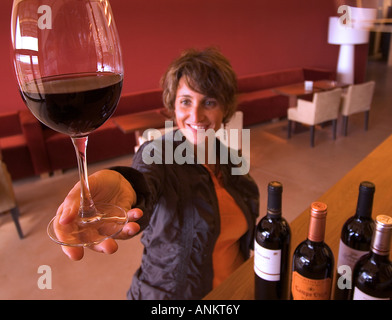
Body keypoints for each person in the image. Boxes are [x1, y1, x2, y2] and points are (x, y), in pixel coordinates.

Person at [56, 47, 260, 299]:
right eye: (186, 101)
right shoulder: (156, 153)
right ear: (173, 105)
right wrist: (127, 186)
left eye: (209, 102)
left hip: (236, 289)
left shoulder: (231, 159)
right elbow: (144, 184)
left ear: (225, 108)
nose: (195, 115)